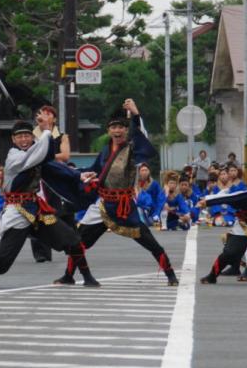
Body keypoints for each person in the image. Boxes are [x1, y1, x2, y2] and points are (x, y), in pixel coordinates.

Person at [0, 117, 99, 289]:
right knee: (2, 260)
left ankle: (86, 277)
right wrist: (47, 131)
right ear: (13, 139)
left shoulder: (36, 155)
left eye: (27, 136)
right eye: (19, 137)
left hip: (36, 210)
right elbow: (35, 156)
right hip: (17, 211)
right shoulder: (14, 156)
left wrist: (79, 175)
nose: (24, 139)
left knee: (73, 241)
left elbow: (55, 168)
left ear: (32, 138)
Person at [53, 100, 179, 287]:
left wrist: (136, 115)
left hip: (124, 206)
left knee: (149, 241)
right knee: (77, 241)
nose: (117, 130)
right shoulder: (105, 151)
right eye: (113, 127)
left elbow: (142, 138)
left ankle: (170, 275)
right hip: (102, 204)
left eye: (121, 127)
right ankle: (70, 275)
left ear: (126, 130)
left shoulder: (132, 149)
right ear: (108, 130)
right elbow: (94, 170)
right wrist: (72, 172)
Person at [29, 104, 70, 263]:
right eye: (40, 113)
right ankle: (41, 251)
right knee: (36, 215)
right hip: (36, 179)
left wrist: (45, 156)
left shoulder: (61, 136)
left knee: (58, 213)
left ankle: (67, 243)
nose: (43, 116)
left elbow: (65, 155)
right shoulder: (31, 136)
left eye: (47, 113)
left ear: (53, 118)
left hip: (55, 178)